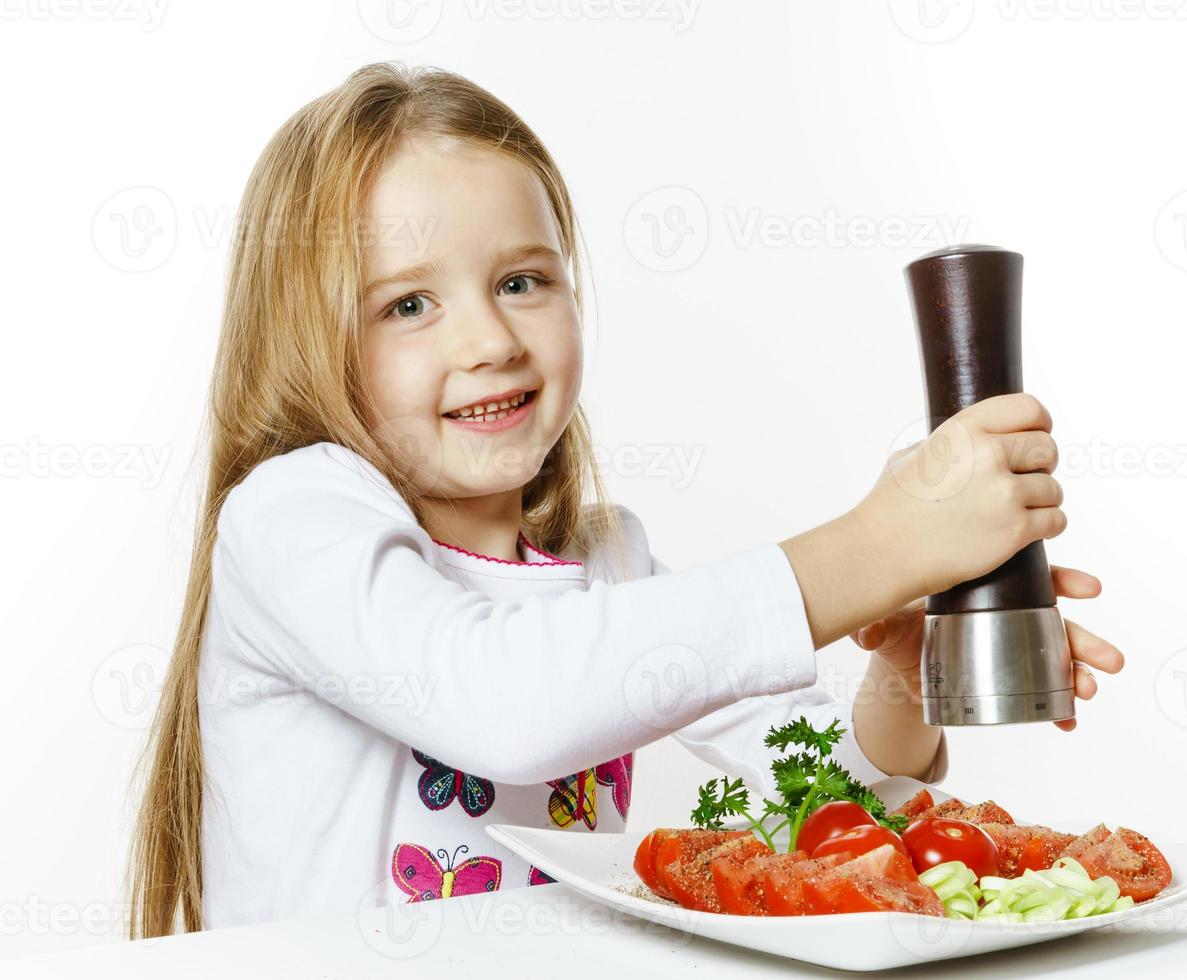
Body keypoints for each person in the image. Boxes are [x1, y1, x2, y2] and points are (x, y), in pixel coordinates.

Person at [128, 62, 1123, 936]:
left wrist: (901, 667)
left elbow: (822, 788)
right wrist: (877, 545)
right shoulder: (291, 518)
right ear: (308, 340)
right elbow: (505, 699)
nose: (491, 339)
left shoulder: (608, 558)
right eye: (409, 303)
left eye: (522, 281)